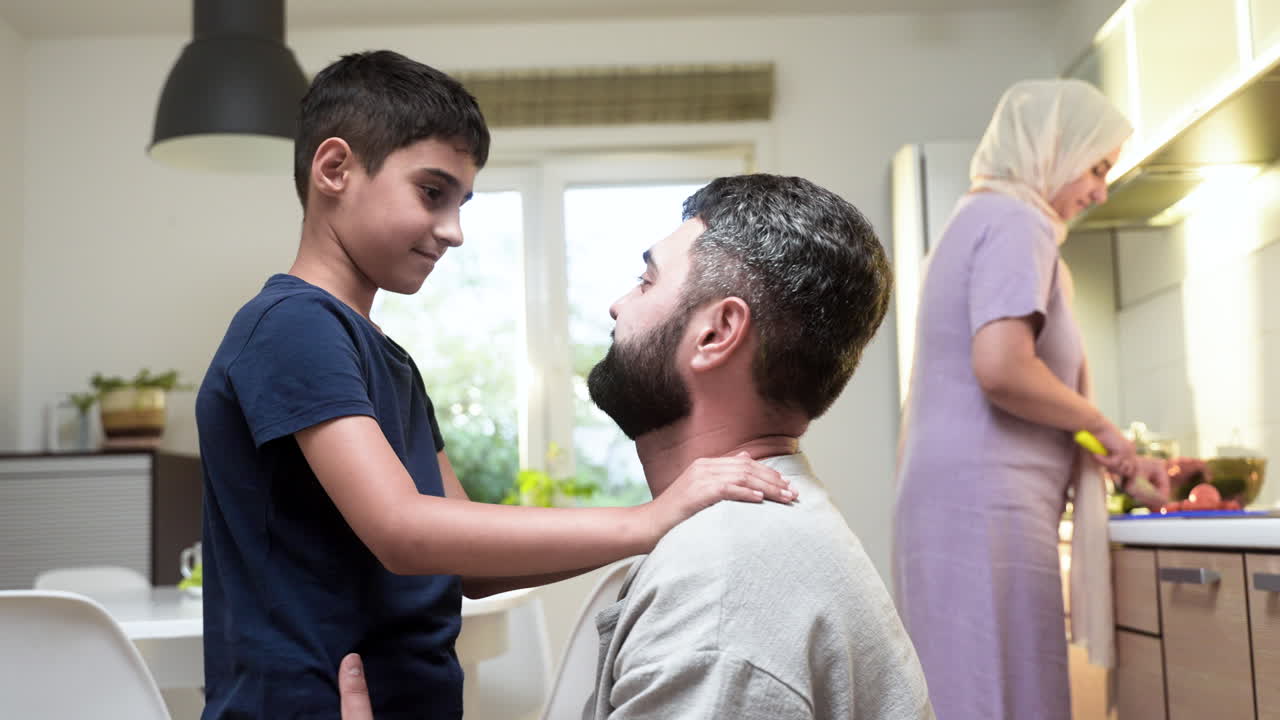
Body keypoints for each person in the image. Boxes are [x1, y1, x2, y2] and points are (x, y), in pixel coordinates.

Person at [194, 50, 793, 720]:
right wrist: (648, 518)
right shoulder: (292, 325)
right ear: (334, 169)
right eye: (432, 193)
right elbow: (400, 528)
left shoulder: (388, 361)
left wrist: (656, 530)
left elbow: (466, 566)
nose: (454, 232)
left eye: (462, 203)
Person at [337, 174, 935, 720]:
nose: (617, 304)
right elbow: (462, 563)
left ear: (716, 333)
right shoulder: (764, 531)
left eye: (646, 280)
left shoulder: (719, 592)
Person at [891, 79, 1171, 719]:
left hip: (958, 503)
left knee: (970, 691)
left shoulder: (976, 218)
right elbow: (1002, 368)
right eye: (1096, 167)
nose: (1100, 190)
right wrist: (1104, 426)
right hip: (984, 507)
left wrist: (1109, 449)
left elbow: (1007, 384)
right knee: (1002, 696)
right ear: (1053, 148)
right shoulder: (1019, 223)